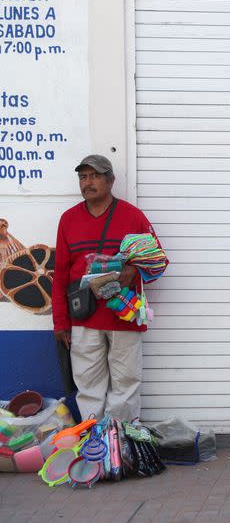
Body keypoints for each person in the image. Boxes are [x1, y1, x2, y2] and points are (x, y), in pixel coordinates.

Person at [52, 154, 168, 422]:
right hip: (83, 319)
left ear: (110, 180)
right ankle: (95, 446)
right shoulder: (68, 220)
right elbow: (59, 276)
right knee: (88, 387)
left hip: (124, 315)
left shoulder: (133, 217)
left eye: (94, 176)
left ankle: (121, 447)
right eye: (83, 177)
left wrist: (134, 271)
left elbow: (159, 261)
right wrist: (60, 323)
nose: (88, 182)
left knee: (126, 385)